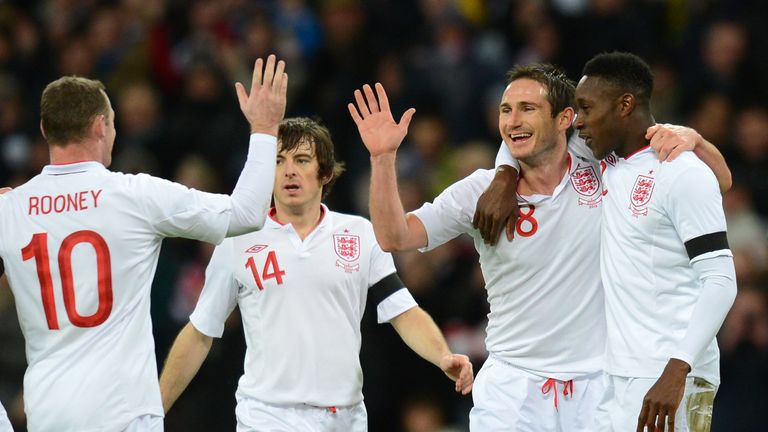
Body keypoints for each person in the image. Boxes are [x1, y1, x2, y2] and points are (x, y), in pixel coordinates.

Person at [0, 54, 288, 432]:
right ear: (101, 126)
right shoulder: (134, 195)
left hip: (47, 411)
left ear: (44, 130)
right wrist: (265, 128)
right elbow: (247, 214)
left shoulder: (9, 209)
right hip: (123, 411)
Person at [158, 117, 473, 432]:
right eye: (279, 161)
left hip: (345, 418)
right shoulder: (238, 241)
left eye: (302, 160)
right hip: (267, 417)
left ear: (325, 173)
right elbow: (200, 332)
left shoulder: (360, 234)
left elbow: (403, 312)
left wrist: (442, 354)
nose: (289, 170)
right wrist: (155, 408)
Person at [349, 67, 608, 431]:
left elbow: (712, 176)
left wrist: (688, 140)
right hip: (512, 390)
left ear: (565, 118)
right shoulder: (477, 191)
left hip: (595, 387)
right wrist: (382, 157)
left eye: (527, 109)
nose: (512, 121)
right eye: (506, 110)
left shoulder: (604, 173)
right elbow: (395, 236)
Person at [573, 52, 736, 432]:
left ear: (625, 105)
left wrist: (678, 368)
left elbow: (721, 279)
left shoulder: (682, 171)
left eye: (586, 108)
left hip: (670, 375)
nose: (578, 121)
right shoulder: (608, 161)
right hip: (617, 372)